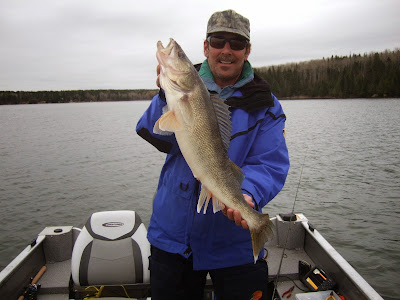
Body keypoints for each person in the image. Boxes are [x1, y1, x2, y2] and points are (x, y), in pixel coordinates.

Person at [136, 9, 290, 300]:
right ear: (206, 47)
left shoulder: (266, 104)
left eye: (236, 44)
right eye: (218, 41)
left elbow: (270, 163)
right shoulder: (183, 91)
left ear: (247, 51)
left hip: (234, 242)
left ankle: (257, 226)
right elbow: (154, 134)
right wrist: (163, 96)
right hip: (173, 236)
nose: (226, 51)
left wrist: (247, 194)